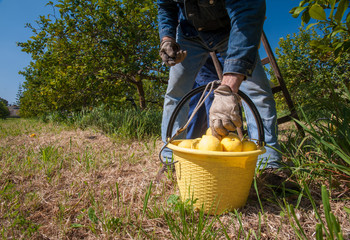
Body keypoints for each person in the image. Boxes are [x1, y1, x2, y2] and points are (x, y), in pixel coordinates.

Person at [157, 0, 281, 169]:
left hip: (232, 30)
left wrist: (228, 87)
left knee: (257, 92)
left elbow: (248, 13)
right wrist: (167, 38)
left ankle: (268, 163)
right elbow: (166, 6)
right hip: (189, 33)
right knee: (176, 93)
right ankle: (170, 161)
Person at [186, 54, 281, 169]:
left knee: (255, 90)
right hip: (198, 43)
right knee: (211, 95)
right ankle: (217, 160)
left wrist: (230, 85)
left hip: (233, 40)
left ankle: (268, 162)